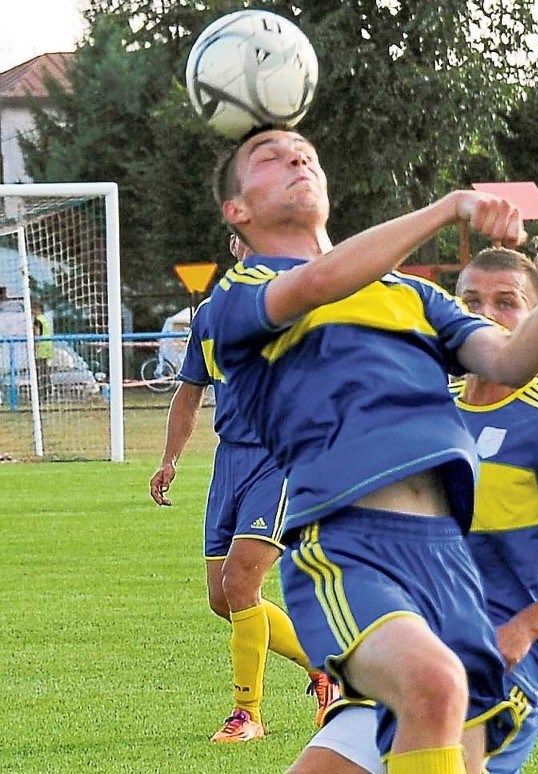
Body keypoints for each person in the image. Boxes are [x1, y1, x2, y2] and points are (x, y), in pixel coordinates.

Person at [207, 126, 538, 773]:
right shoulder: (240, 294)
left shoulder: (410, 296)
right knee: (436, 682)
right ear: (237, 211)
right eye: (268, 156)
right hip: (349, 547)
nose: (296, 156)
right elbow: (318, 282)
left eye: (304, 149)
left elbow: (507, 358)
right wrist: (451, 206)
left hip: (450, 560)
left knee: (459, 733)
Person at [290, 248, 538, 774]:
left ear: (536, 312)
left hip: (496, 664)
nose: (485, 312)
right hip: (411, 651)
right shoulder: (427, 406)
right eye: (471, 299)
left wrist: (523, 630)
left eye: (507, 302)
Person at [149, 237, 338, 744]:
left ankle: (246, 714)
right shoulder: (210, 314)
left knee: (240, 585)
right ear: (235, 244)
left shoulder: (297, 307)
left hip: (279, 460)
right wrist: (169, 459)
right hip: (228, 461)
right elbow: (190, 393)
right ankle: (327, 670)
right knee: (223, 599)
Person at [31, 300, 53, 400]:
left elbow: (37, 334)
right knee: (45, 371)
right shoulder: (45, 319)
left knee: (39, 371)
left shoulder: (38, 320)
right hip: (48, 347)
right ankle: (48, 390)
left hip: (41, 348)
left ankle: (41, 393)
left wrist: (34, 347)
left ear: (37, 309)